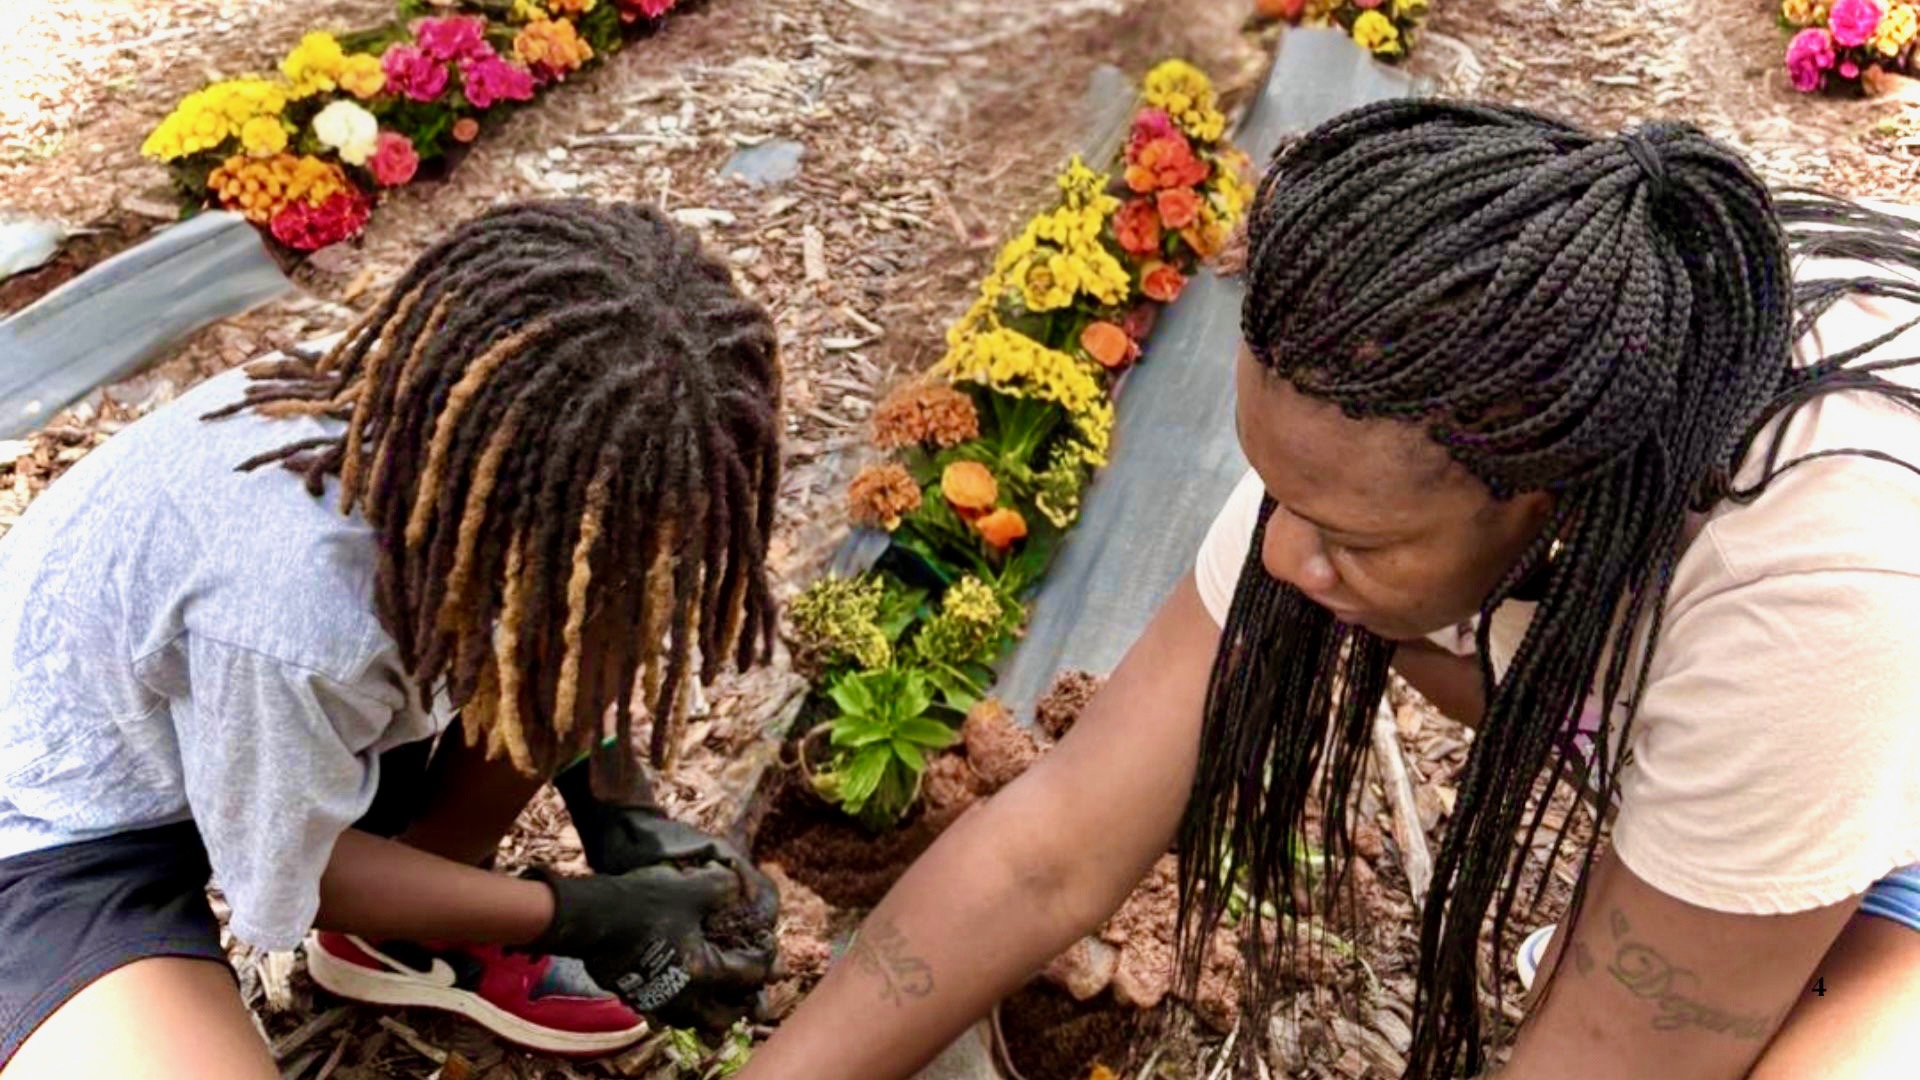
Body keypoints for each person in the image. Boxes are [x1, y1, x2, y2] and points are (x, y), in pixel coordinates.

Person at [742, 102, 1920, 1079]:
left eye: (1346, 535)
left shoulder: (1811, 597)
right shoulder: (1393, 404)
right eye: (1275, 493)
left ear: (1547, 491)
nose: (1279, 558)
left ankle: (1762, 913)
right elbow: (1047, 851)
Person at [0, 200, 785, 1076]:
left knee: (575, 632)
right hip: (58, 830)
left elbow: (563, 650)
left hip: (248, 737)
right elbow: (297, 878)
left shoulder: (460, 445)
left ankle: (402, 943)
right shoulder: (295, 613)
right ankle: (409, 918)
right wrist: (577, 912)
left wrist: (620, 814)